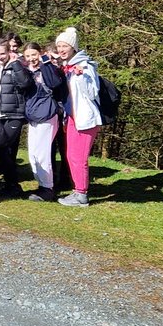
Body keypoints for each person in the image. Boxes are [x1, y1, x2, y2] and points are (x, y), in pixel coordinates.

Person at [53, 27, 102, 207]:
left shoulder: (86, 67)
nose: (61, 49)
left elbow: (92, 93)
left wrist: (82, 76)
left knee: (79, 158)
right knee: (70, 155)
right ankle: (77, 191)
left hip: (86, 119)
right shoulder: (67, 67)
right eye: (59, 46)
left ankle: (81, 195)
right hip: (73, 119)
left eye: (65, 46)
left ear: (73, 47)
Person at [0, 37, 35, 196]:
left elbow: (26, 84)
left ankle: (13, 184)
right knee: (1, 149)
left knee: (3, 144)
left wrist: (15, 64)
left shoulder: (16, 65)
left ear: (9, 52)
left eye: (2, 54)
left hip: (14, 114)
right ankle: (10, 184)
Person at [22, 42, 67, 202]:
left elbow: (55, 83)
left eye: (34, 54)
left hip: (47, 115)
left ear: (39, 53)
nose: (31, 58)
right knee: (33, 153)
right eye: (28, 56)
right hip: (33, 116)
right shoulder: (27, 71)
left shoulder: (47, 68)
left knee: (43, 155)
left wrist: (46, 61)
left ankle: (48, 188)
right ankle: (42, 185)